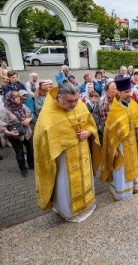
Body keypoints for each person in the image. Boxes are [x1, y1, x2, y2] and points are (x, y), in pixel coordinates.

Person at [34, 82, 101, 222]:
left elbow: (90, 125)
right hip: (62, 158)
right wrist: (62, 141)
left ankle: (87, 205)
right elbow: (42, 142)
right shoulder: (48, 114)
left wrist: (88, 133)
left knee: (85, 179)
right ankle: (67, 211)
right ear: (59, 98)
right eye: (70, 101)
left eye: (76, 100)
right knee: (65, 183)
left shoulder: (80, 105)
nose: (74, 104)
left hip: (82, 152)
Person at [101, 76, 138, 200]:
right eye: (126, 92)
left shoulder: (133, 104)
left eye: (130, 91)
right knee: (121, 170)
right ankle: (122, 193)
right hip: (120, 145)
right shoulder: (114, 109)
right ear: (119, 92)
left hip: (132, 142)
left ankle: (134, 187)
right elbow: (110, 132)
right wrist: (114, 149)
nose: (129, 94)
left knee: (133, 164)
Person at [0, 91, 34, 177]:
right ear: (9, 100)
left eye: (18, 96)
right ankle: (22, 169)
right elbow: (2, 124)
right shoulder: (4, 111)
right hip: (15, 135)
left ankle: (31, 164)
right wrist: (9, 132)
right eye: (15, 97)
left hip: (27, 132)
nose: (18, 98)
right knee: (19, 153)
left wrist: (28, 119)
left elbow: (31, 114)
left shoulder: (22, 106)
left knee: (30, 150)